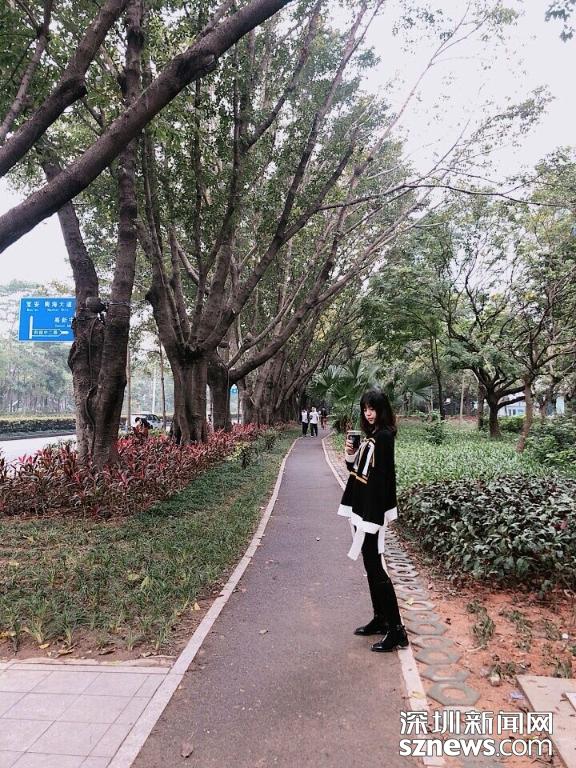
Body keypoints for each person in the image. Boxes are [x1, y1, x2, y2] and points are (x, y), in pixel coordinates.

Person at [337, 388, 408, 652]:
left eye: (373, 408)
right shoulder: (373, 436)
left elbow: (384, 479)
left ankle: (397, 630)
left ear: (382, 409)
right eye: (365, 409)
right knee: (369, 563)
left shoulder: (385, 436)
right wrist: (350, 454)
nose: (368, 413)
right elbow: (357, 471)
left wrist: (373, 516)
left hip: (372, 511)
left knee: (376, 566)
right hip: (363, 507)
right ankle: (381, 618)